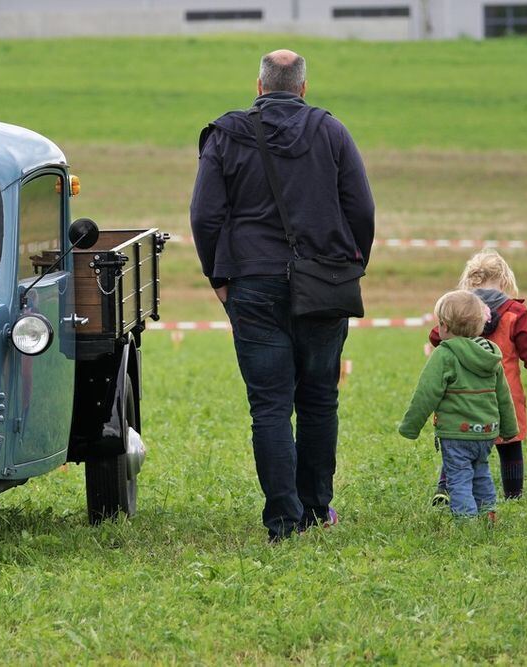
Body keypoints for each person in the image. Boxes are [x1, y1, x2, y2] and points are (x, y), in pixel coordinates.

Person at [189, 49, 375, 540]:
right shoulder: (331, 131)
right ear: (303, 88)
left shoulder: (225, 135)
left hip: (251, 283)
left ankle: (283, 522)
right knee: (319, 401)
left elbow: (205, 216)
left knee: (269, 407)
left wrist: (219, 278)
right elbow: (361, 207)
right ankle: (317, 509)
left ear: (259, 86)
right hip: (323, 284)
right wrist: (352, 267)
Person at [428, 249, 527, 503]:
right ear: (505, 280)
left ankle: (445, 487)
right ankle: (513, 496)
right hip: (503, 395)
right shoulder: (515, 314)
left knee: (459, 443)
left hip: (461, 395)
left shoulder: (459, 311)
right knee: (510, 444)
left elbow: (435, 336)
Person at [399, 290, 519, 519]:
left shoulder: (445, 354)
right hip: (486, 432)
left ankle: (466, 521)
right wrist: (509, 430)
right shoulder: (491, 355)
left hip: (457, 433)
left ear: (444, 326)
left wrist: (410, 426)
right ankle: (487, 512)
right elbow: (504, 395)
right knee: (481, 471)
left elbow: (426, 393)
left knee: (459, 476)